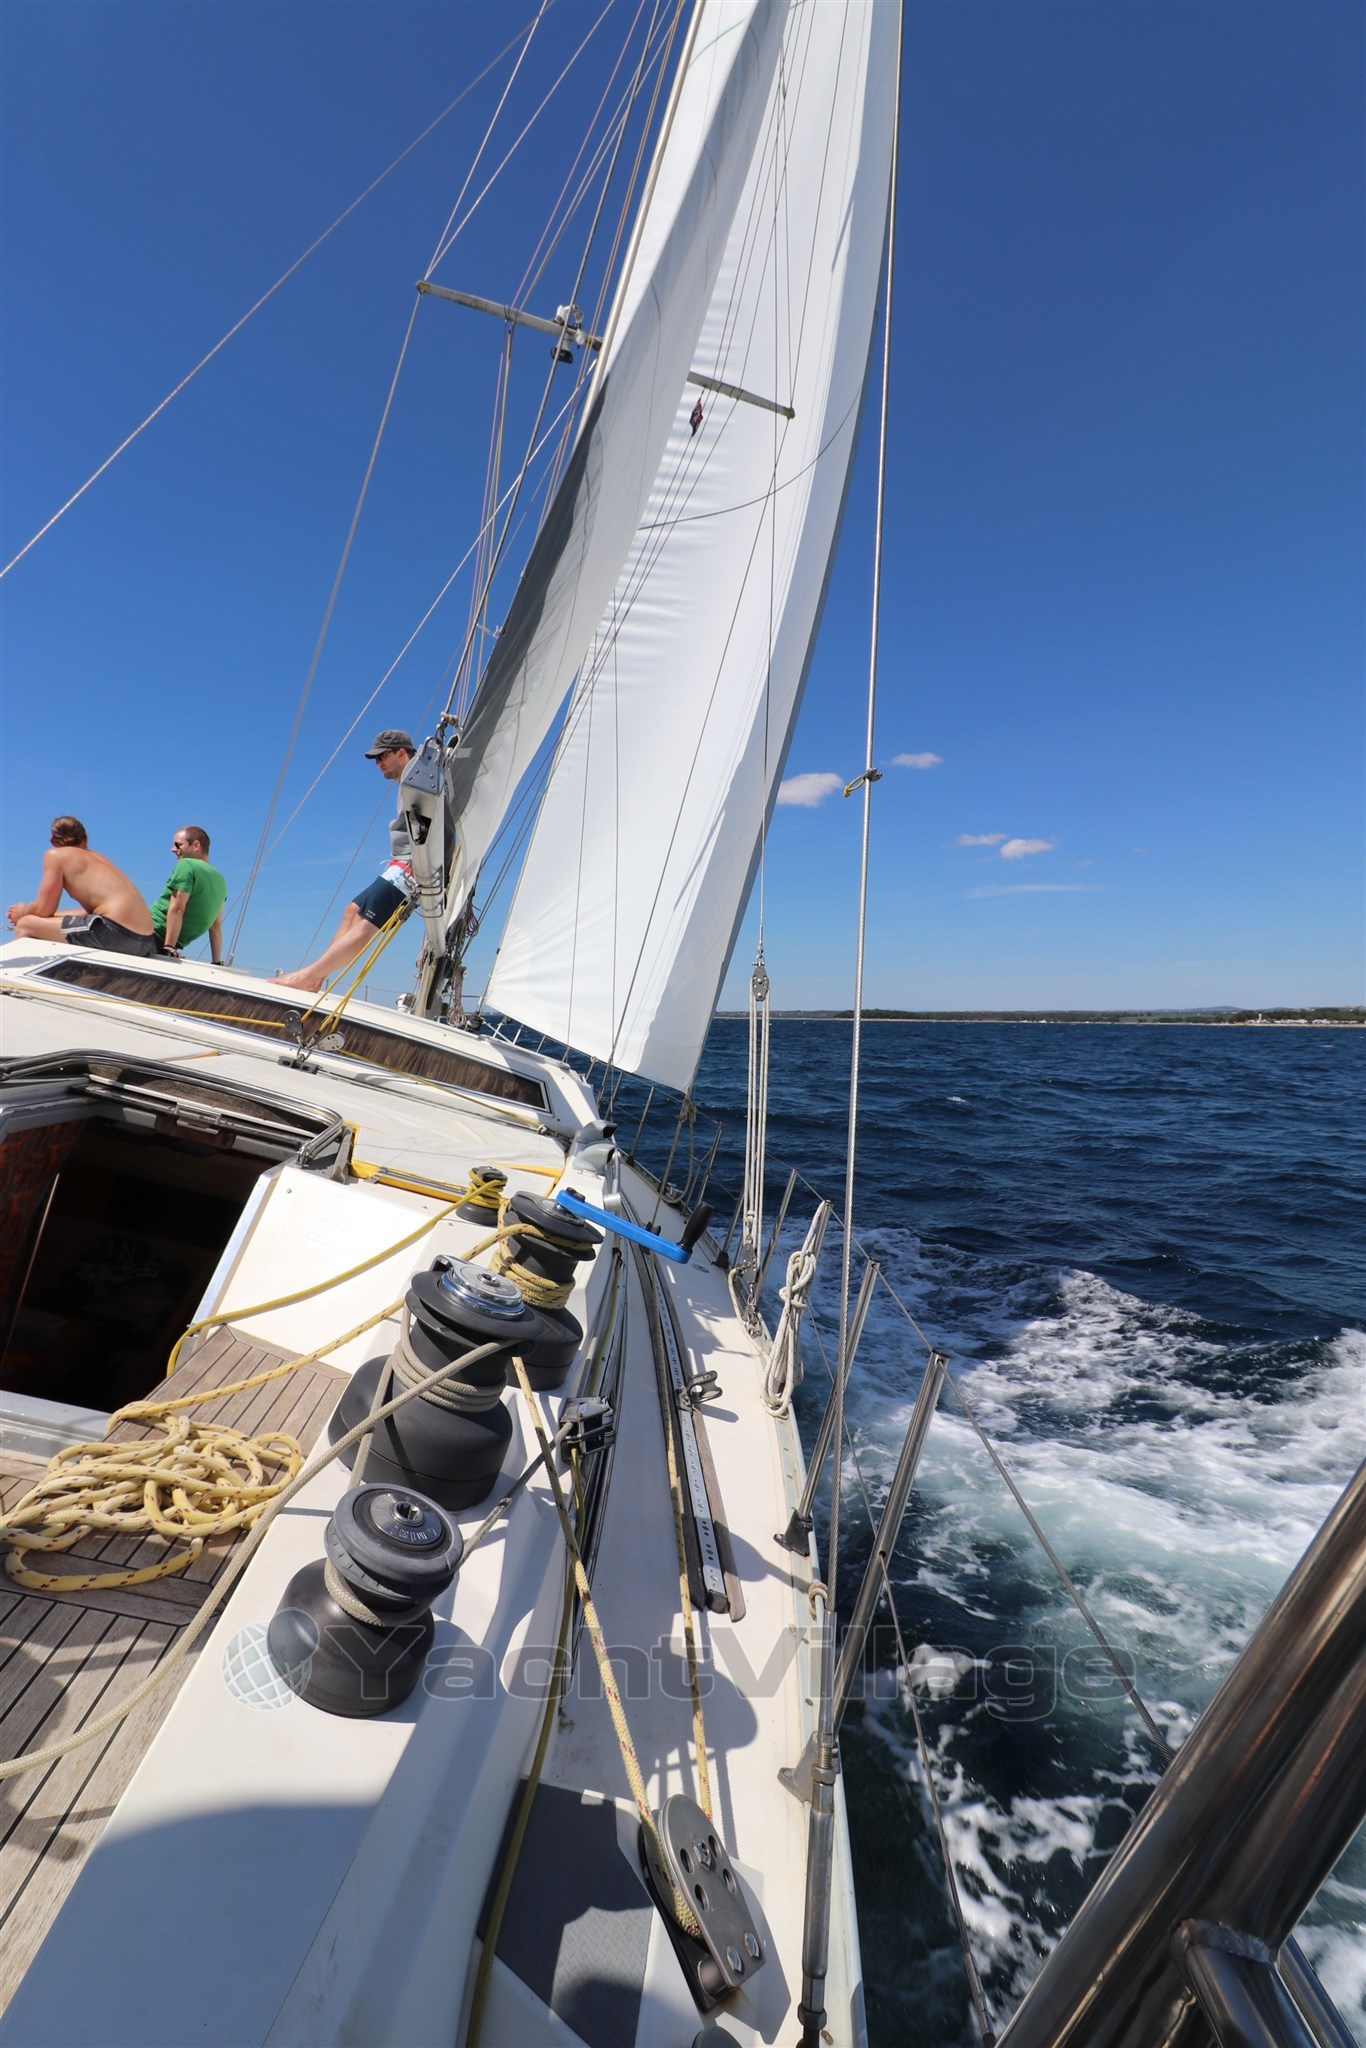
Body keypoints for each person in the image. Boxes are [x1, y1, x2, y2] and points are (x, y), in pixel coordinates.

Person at [272, 730, 418, 992]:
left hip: (413, 866)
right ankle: (315, 977)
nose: (377, 763)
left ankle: (308, 977)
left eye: (382, 756)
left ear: (401, 753)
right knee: (351, 911)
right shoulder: (410, 781)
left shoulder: (421, 778)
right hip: (401, 862)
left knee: (366, 923)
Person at [6, 816, 158, 956]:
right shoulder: (99, 858)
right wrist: (53, 916)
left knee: (26, 924)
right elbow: (85, 913)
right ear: (85, 839)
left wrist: (23, 911)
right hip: (146, 941)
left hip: (117, 934)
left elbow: (44, 909)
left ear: (53, 842)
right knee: (49, 923)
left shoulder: (55, 855)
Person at [150, 825, 227, 962]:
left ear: (196, 845)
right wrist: (216, 962)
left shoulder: (187, 865)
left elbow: (178, 909)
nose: (173, 849)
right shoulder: (221, 881)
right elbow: (215, 926)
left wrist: (168, 947)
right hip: (166, 941)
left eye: (178, 845)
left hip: (148, 933)